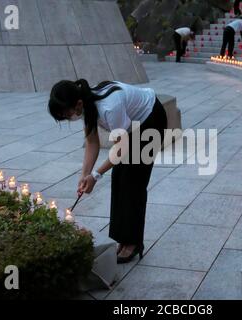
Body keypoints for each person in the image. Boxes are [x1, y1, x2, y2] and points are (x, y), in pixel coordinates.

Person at [48, 79, 167, 264]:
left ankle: (133, 243)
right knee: (119, 178)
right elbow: (92, 142)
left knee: (132, 181)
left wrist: (96, 175)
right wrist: (84, 175)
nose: (68, 118)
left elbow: (122, 148)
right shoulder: (86, 104)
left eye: (67, 114)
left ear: (77, 104)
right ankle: (123, 237)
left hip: (151, 120)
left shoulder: (109, 108)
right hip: (132, 128)